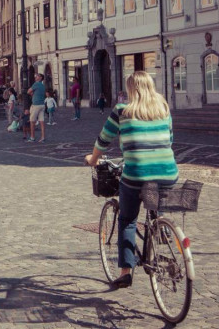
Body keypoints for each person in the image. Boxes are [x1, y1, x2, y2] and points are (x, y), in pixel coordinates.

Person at [84, 71, 178, 288]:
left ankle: (126, 271)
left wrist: (93, 158)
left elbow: (104, 139)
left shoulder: (122, 110)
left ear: (130, 89)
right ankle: (161, 226)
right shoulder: (162, 108)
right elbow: (170, 139)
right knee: (155, 195)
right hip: (167, 172)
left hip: (136, 174)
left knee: (127, 220)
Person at [27, 73, 46, 142]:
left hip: (36, 104)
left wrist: (32, 94)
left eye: (37, 76)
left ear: (40, 77)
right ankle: (43, 137)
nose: (35, 77)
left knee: (32, 121)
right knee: (41, 121)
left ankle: (32, 137)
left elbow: (28, 91)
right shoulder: (43, 85)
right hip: (42, 104)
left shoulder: (36, 84)